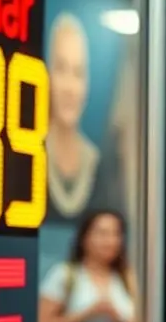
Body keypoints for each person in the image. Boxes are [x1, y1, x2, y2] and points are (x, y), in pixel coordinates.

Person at [44, 13, 124, 222]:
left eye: (78, 73)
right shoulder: (27, 154)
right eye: (61, 69)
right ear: (48, 75)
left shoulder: (100, 167)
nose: (70, 88)